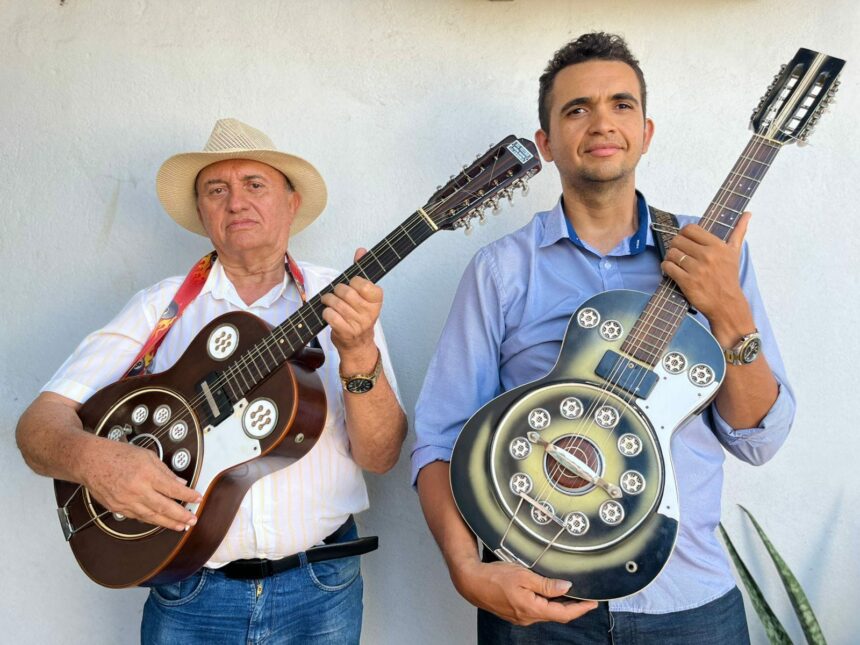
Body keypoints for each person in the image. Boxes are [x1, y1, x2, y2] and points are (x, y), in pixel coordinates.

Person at [412, 32, 795, 643]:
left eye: (621, 105)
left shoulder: (712, 253)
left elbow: (757, 440)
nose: (601, 123)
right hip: (536, 603)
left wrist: (730, 314)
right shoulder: (502, 270)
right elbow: (439, 437)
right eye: (576, 109)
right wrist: (467, 571)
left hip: (689, 604)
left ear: (645, 131)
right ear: (545, 143)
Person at [16, 117, 407, 644]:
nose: (235, 202)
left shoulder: (342, 304)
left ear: (291, 204)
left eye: (255, 185)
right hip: (189, 592)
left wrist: (358, 353)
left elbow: (380, 456)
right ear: (202, 214)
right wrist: (97, 461)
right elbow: (36, 429)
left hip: (320, 590)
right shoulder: (160, 310)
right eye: (216, 190)